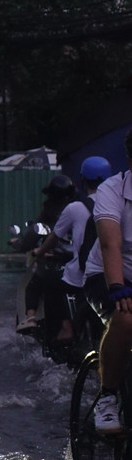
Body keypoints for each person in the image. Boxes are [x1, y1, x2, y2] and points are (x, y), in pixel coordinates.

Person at [33, 158, 111, 348]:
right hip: (115, 274)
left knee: (49, 281)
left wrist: (40, 251)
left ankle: (65, 327)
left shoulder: (75, 207)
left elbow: (54, 237)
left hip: (83, 275)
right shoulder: (117, 204)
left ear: (83, 180)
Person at [84, 134, 132, 433]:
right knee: (126, 321)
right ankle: (108, 396)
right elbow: (109, 243)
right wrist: (117, 287)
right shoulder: (113, 189)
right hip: (107, 275)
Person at [18, 174, 78, 334]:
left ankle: (31, 317)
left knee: (34, 285)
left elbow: (31, 240)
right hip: (81, 264)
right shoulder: (82, 210)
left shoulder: (48, 216)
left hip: (56, 264)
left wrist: (35, 249)